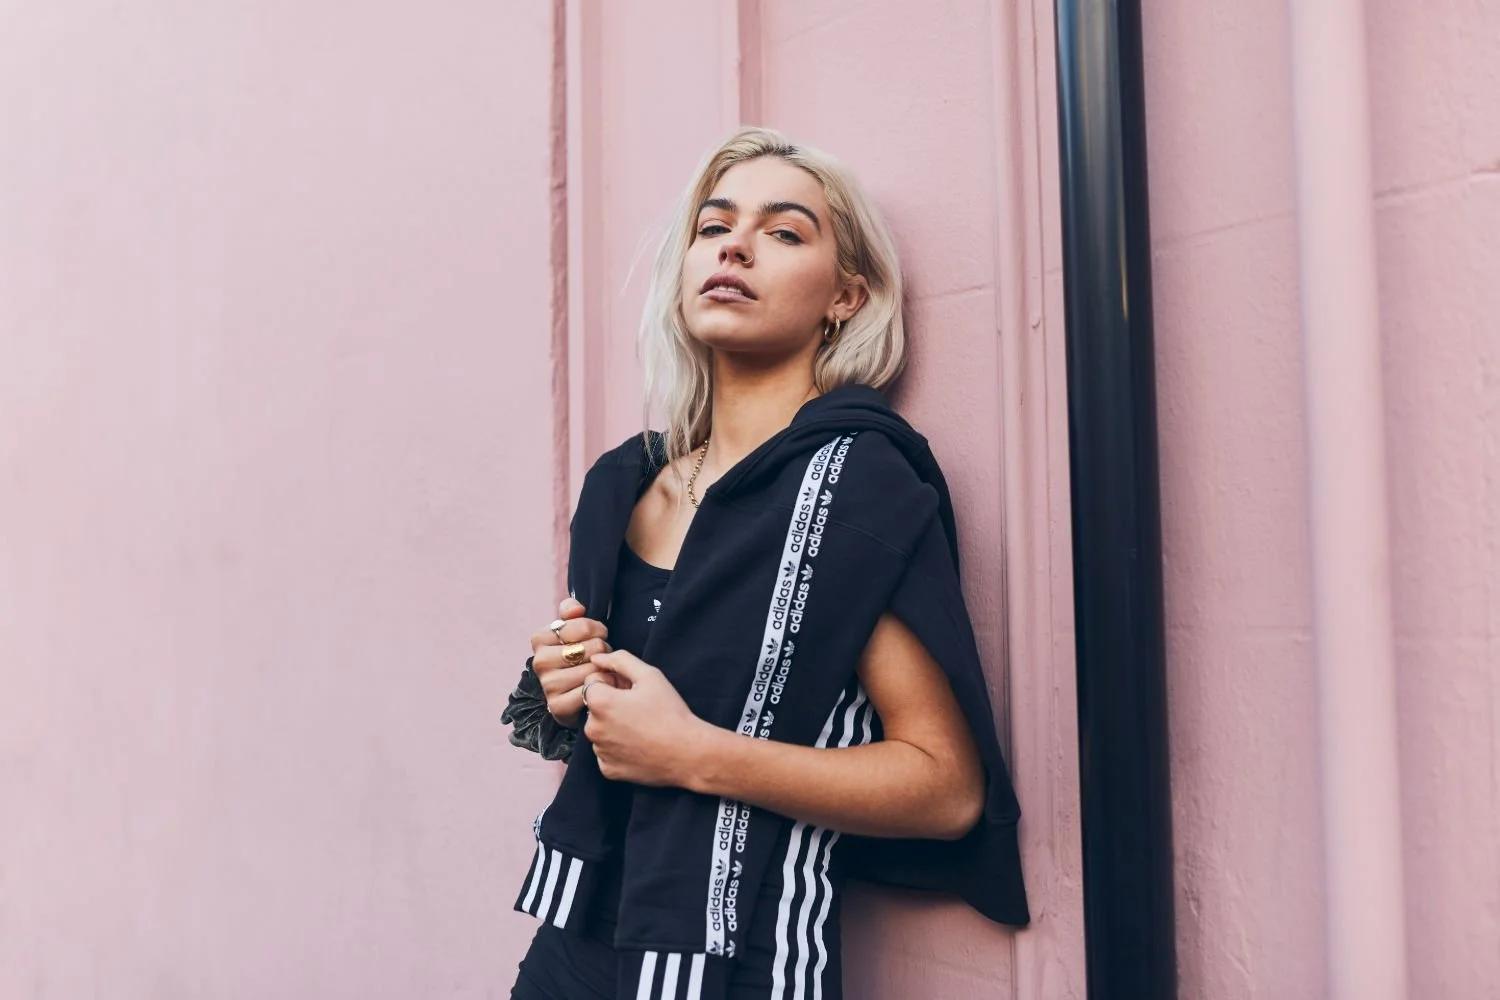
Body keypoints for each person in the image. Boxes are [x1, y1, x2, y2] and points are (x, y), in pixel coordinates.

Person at [503, 126, 1027, 1000]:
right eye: (714, 228)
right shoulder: (621, 481)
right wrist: (563, 689)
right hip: (571, 942)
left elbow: (946, 788)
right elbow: (611, 726)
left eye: (784, 232)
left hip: (741, 958)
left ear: (845, 297)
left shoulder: (857, 481)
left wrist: (695, 753)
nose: (736, 245)